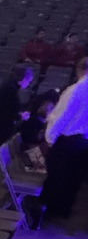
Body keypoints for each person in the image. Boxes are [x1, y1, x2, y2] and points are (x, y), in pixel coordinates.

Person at [43, 56, 88, 220]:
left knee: (58, 175)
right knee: (74, 178)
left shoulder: (75, 89)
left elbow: (61, 116)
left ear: (79, 70)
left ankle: (49, 210)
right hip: (84, 140)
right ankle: (64, 209)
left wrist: (50, 138)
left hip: (68, 139)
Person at [0, 64, 34, 183]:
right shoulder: (9, 90)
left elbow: (7, 109)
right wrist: (19, 116)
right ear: (24, 78)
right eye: (29, 80)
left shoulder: (9, 87)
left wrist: (18, 115)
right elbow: (5, 113)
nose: (29, 84)